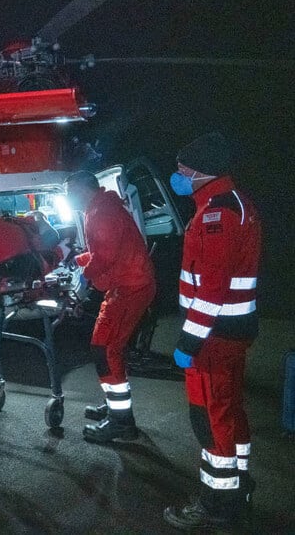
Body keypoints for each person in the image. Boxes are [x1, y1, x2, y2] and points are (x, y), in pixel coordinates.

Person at [163, 132, 261, 531]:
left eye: (183, 168)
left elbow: (211, 290)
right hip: (233, 332)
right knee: (230, 411)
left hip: (213, 338)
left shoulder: (216, 215)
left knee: (209, 418)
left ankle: (217, 503)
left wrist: (189, 341)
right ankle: (239, 484)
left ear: (203, 171)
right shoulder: (236, 203)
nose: (178, 175)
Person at [64, 171, 156, 442]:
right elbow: (105, 251)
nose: (68, 198)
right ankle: (115, 405)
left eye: (70, 192)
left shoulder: (101, 212)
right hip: (127, 285)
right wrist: (78, 260)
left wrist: (83, 277)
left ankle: (121, 421)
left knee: (105, 349)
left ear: (84, 189)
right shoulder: (101, 207)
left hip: (130, 287)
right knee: (106, 348)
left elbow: (104, 256)